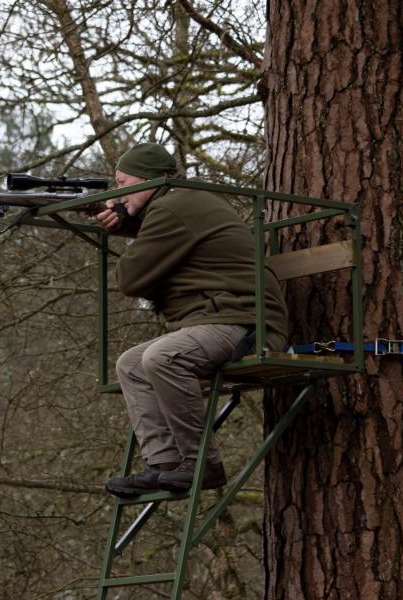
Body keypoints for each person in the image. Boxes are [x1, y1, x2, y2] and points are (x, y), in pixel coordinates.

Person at [95, 143, 289, 496]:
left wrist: (121, 225)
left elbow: (130, 280)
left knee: (162, 358)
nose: (118, 193)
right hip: (220, 319)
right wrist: (124, 222)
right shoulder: (179, 202)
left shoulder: (174, 207)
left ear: (148, 181)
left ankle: (203, 465)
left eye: (123, 183)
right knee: (131, 364)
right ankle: (164, 464)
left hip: (246, 324)